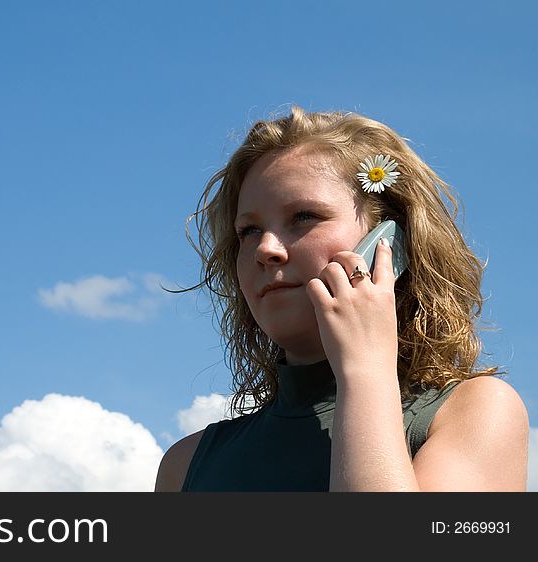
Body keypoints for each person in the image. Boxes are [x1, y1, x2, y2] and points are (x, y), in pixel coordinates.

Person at [155, 106, 529, 492]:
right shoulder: (183, 466)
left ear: (389, 243)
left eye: (304, 216)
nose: (265, 248)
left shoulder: (474, 414)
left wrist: (364, 369)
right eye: (249, 230)